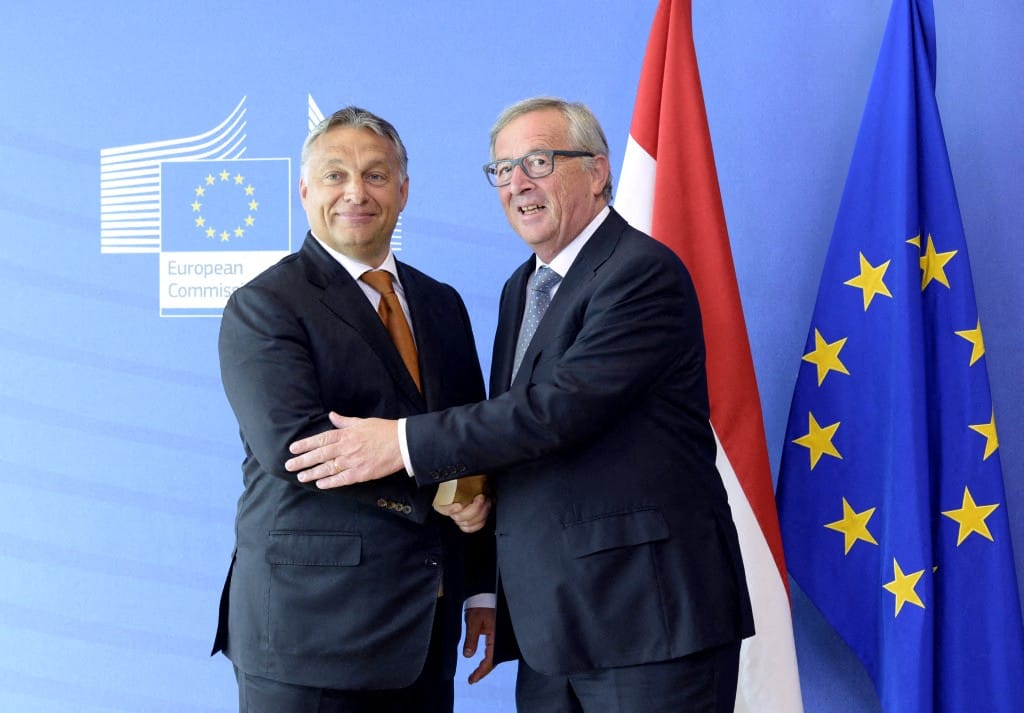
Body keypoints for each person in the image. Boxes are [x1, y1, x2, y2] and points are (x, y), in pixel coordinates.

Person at [285, 97, 754, 713]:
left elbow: (555, 410)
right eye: (503, 169)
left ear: (597, 171)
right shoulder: (523, 286)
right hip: (552, 632)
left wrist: (397, 442)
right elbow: (515, 442)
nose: (518, 183)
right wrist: (480, 552)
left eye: (538, 160)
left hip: (649, 620)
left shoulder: (640, 273)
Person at [211, 106, 496, 713]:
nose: (356, 193)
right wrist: (443, 493)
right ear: (305, 189)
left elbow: (471, 437)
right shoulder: (264, 305)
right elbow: (299, 450)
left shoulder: (441, 304)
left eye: (375, 174)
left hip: (426, 629)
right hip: (309, 637)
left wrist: (480, 588)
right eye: (336, 176)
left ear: (403, 190)